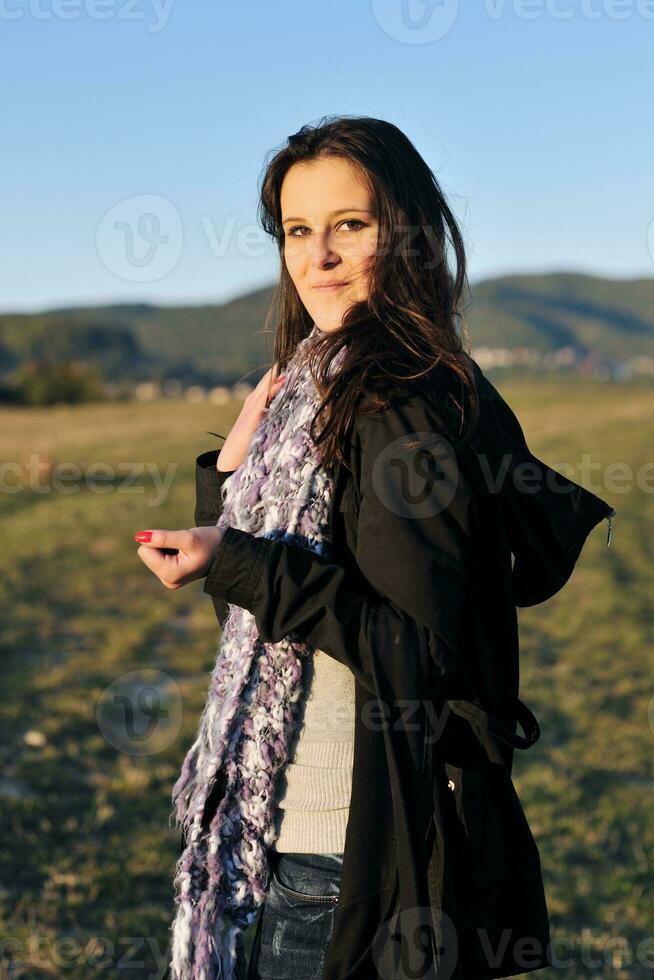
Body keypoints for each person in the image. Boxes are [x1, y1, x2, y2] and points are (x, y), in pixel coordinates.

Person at [135, 115, 616, 980]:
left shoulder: (397, 403)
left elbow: (425, 653)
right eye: (296, 230)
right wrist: (229, 482)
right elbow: (265, 618)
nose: (316, 257)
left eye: (348, 227)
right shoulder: (313, 388)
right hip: (273, 842)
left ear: (408, 236)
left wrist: (239, 557)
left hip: (337, 864)